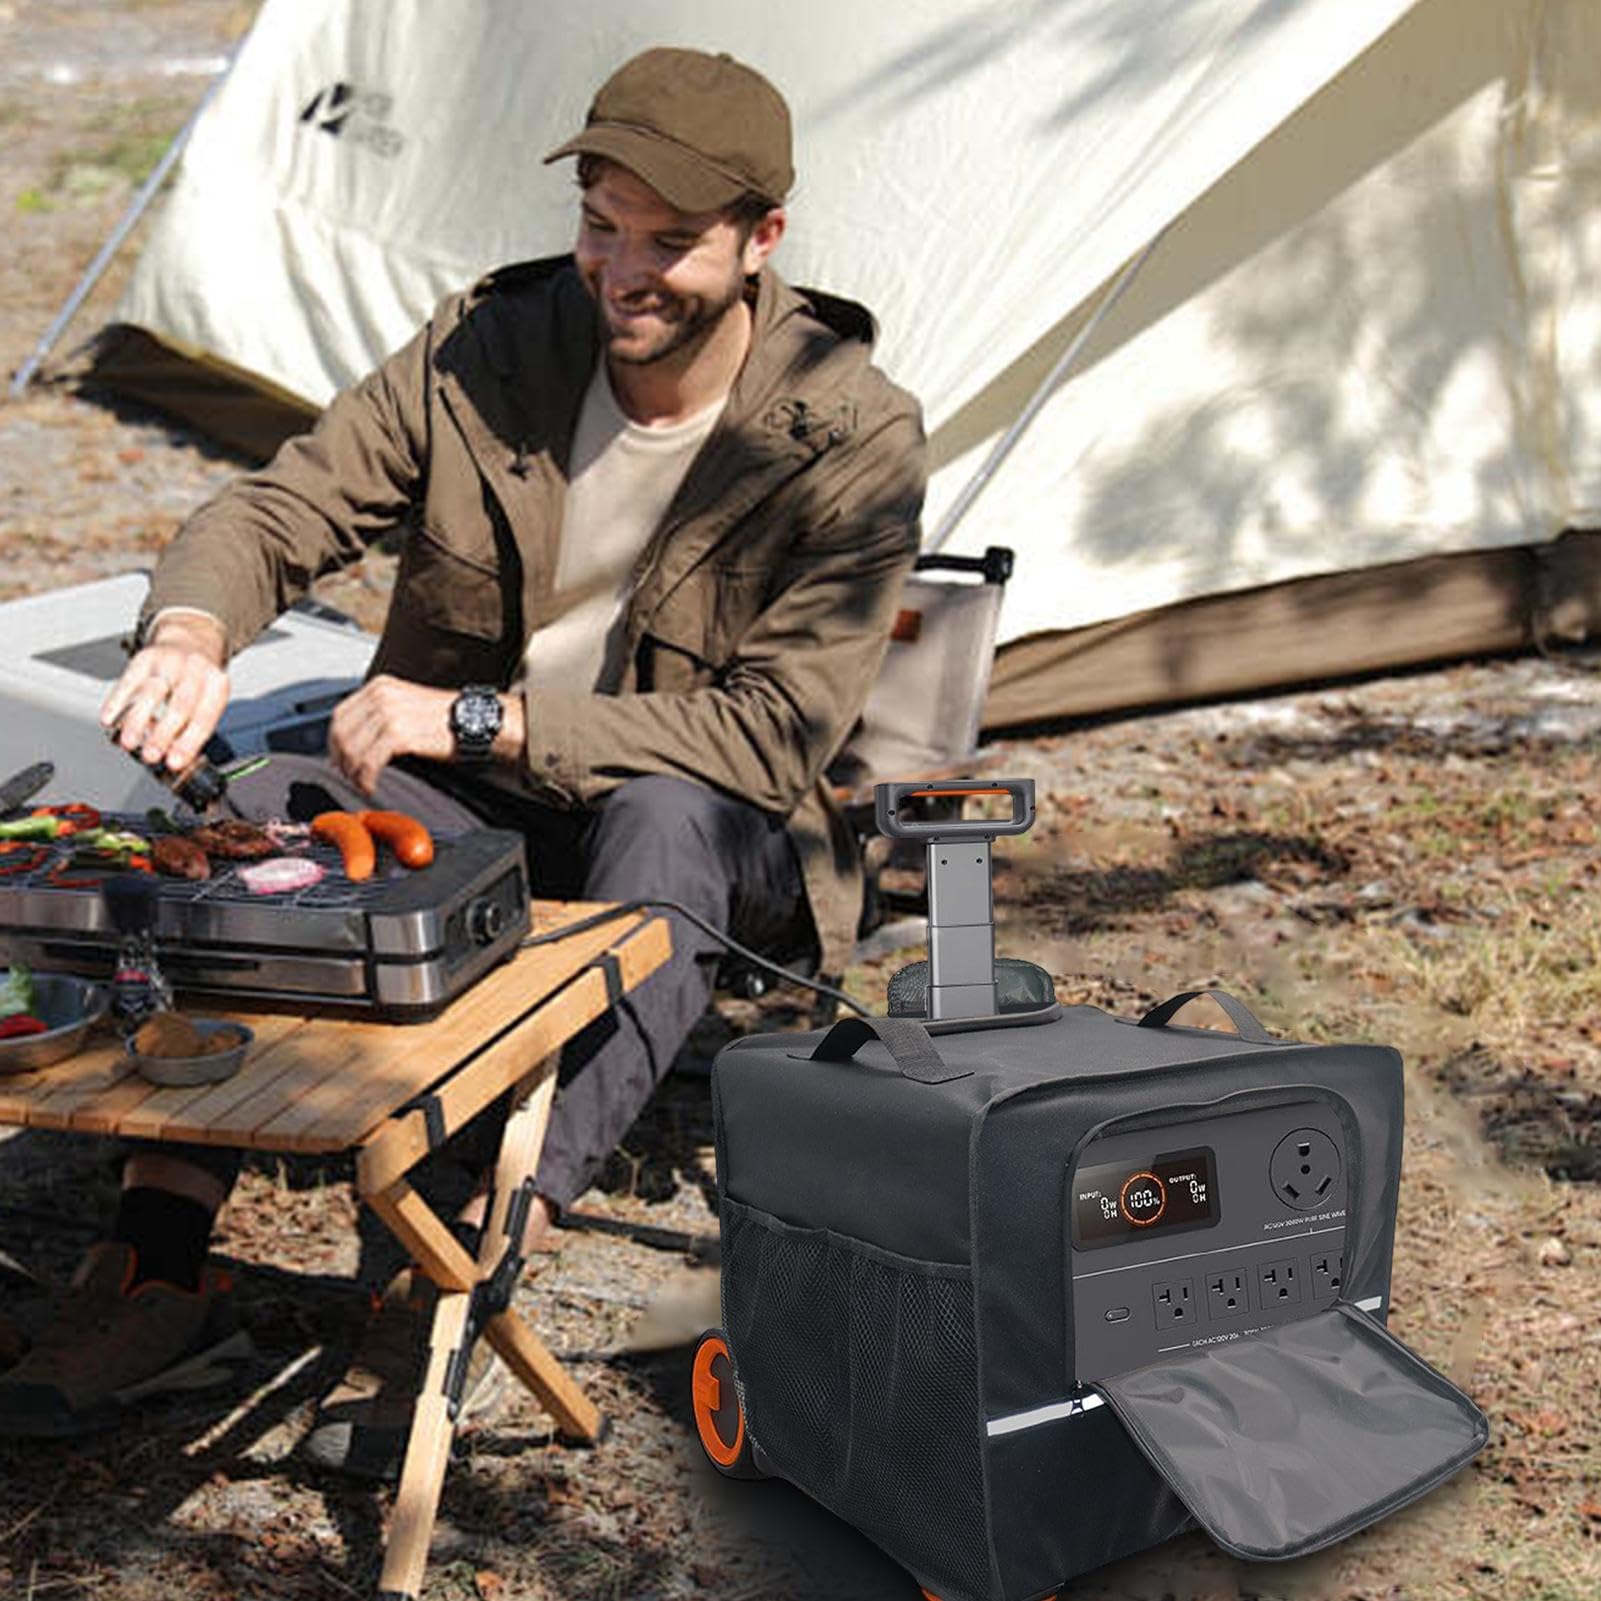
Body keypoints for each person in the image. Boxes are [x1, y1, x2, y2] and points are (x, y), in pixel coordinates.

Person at [0, 47, 926, 1467]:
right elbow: (281, 507)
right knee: (262, 806)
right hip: (466, 793)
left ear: (760, 243)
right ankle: (154, 1259)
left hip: (696, 815)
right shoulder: (490, 348)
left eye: (670, 243)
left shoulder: (846, 432)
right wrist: (190, 628)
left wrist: (483, 716)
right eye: (600, 226)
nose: (624, 272)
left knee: (664, 830)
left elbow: (769, 733)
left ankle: (461, 1273)